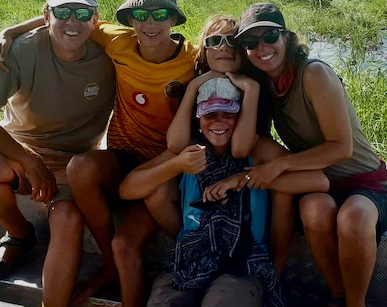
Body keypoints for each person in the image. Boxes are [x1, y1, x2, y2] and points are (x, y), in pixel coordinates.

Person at [0, 0, 197, 307]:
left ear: (175, 19)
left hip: (166, 170)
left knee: (126, 248)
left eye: (160, 15)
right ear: (128, 21)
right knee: (81, 167)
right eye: (140, 16)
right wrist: (10, 33)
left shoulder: (193, 59)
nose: (150, 24)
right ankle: (106, 257)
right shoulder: (117, 40)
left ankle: (118, 264)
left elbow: (228, 56)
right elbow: (67, 16)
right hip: (122, 159)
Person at [0, 0, 116, 307]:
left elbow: (152, 39)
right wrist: (28, 159)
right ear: (46, 15)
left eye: (83, 13)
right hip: (17, 149)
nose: (73, 21)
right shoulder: (20, 50)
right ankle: (20, 232)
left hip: (73, 162)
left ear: (96, 19)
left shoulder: (111, 52)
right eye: (62, 11)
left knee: (69, 220)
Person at [235, 3, 387, 307]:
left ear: (286, 37)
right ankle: (335, 295)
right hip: (317, 181)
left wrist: (278, 167)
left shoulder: (314, 73)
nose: (262, 48)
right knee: (313, 211)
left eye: (269, 36)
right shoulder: (265, 85)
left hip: (364, 182)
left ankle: (355, 303)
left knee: (353, 218)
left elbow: (341, 148)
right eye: (251, 42)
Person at [120, 76, 329, 307]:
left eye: (228, 114)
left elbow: (318, 180)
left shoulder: (257, 149)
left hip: (244, 264)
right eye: (210, 115)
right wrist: (175, 165)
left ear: (242, 117)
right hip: (191, 260)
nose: (218, 123)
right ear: (198, 118)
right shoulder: (190, 148)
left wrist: (246, 178)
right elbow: (127, 189)